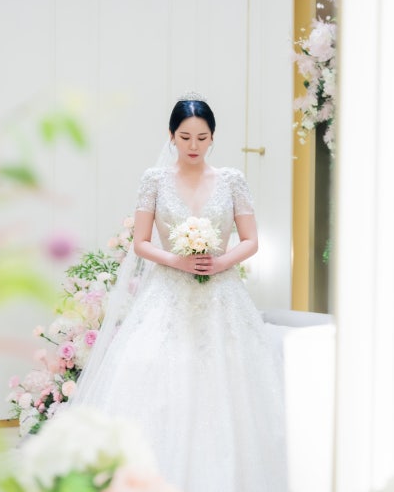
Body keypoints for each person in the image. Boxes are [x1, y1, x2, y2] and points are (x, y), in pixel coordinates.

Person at [67, 92, 287, 491]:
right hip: (167, 291)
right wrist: (176, 260)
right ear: (171, 136)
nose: (193, 146)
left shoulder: (232, 180)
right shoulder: (154, 180)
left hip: (222, 294)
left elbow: (250, 240)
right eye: (185, 137)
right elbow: (141, 242)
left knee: (229, 384)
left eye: (202, 138)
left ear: (213, 137)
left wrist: (221, 262)